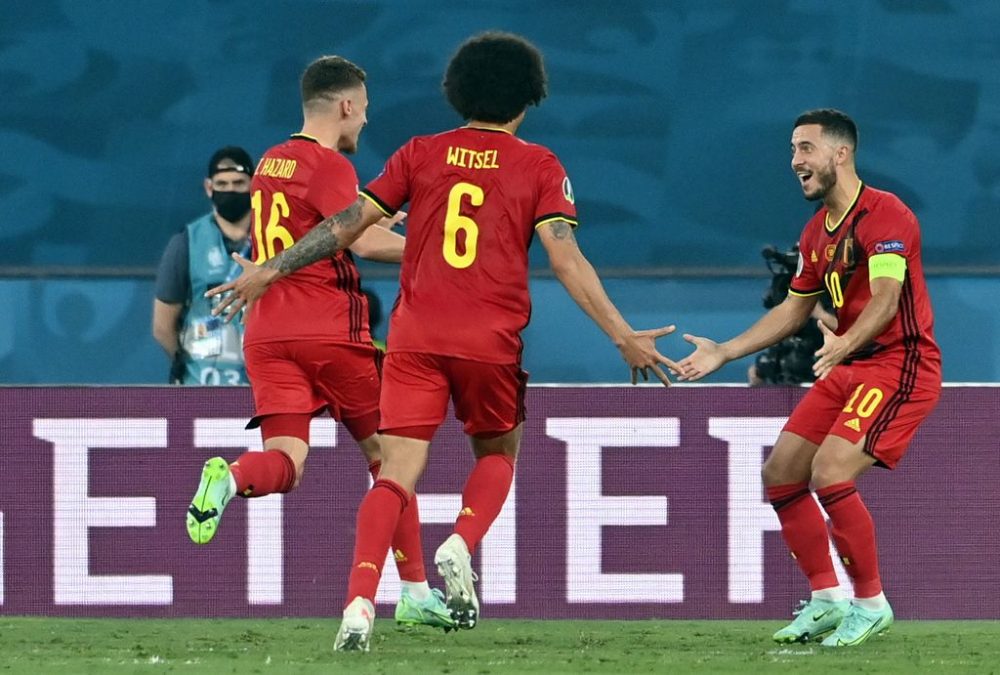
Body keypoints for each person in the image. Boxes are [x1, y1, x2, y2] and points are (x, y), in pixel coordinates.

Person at [206, 31, 679, 653]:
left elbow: (348, 226)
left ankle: (357, 608)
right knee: (497, 455)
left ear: (458, 91)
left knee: (393, 474)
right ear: (528, 98)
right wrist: (622, 335)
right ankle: (459, 541)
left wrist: (272, 266)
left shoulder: (419, 152)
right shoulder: (540, 165)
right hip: (489, 336)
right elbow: (565, 259)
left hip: (413, 339)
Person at [184, 55, 453, 630]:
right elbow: (358, 243)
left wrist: (387, 224)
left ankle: (230, 478)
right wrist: (447, 246)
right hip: (329, 331)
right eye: (363, 112)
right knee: (390, 460)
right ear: (346, 105)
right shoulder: (329, 164)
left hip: (266, 335)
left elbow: (330, 228)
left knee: (287, 460)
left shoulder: (273, 164)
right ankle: (414, 592)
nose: (364, 124)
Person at [678, 109, 942, 647]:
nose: (795, 161)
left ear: (840, 153)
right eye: (793, 150)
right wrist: (726, 351)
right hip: (849, 366)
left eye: (805, 148)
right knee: (780, 473)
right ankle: (826, 599)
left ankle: (870, 604)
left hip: (900, 365)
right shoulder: (814, 233)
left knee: (830, 471)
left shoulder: (886, 214)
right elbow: (793, 311)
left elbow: (888, 298)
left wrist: (847, 339)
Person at [152, 146, 255, 385]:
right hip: (201, 387)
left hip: (261, 389)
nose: (230, 190)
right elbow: (162, 326)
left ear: (254, 185)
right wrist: (187, 365)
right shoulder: (186, 242)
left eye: (239, 183)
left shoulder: (274, 238)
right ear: (209, 188)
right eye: (222, 184)